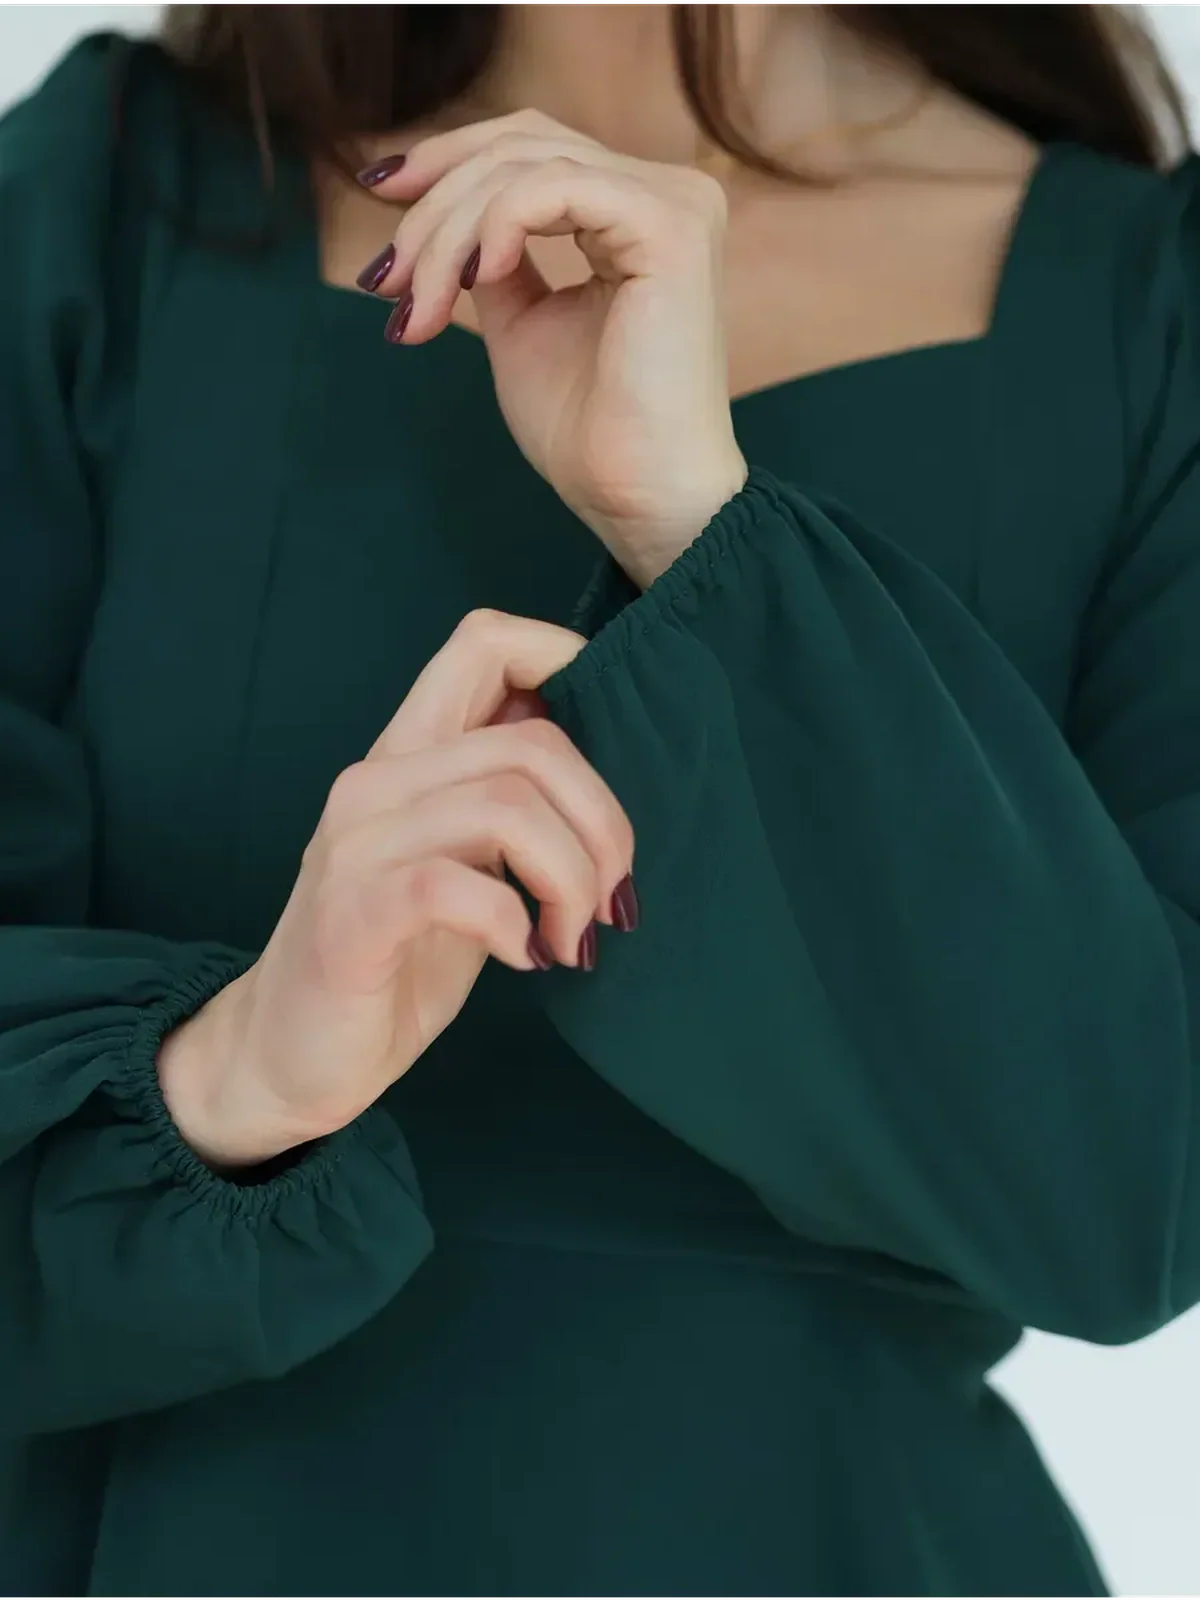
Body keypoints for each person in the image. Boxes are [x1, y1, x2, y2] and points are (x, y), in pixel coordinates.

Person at [1, 0, 1198, 1593]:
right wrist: (235, 1074)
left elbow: (1129, 1203)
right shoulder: (109, 201)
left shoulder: (1150, 303)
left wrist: (691, 519)